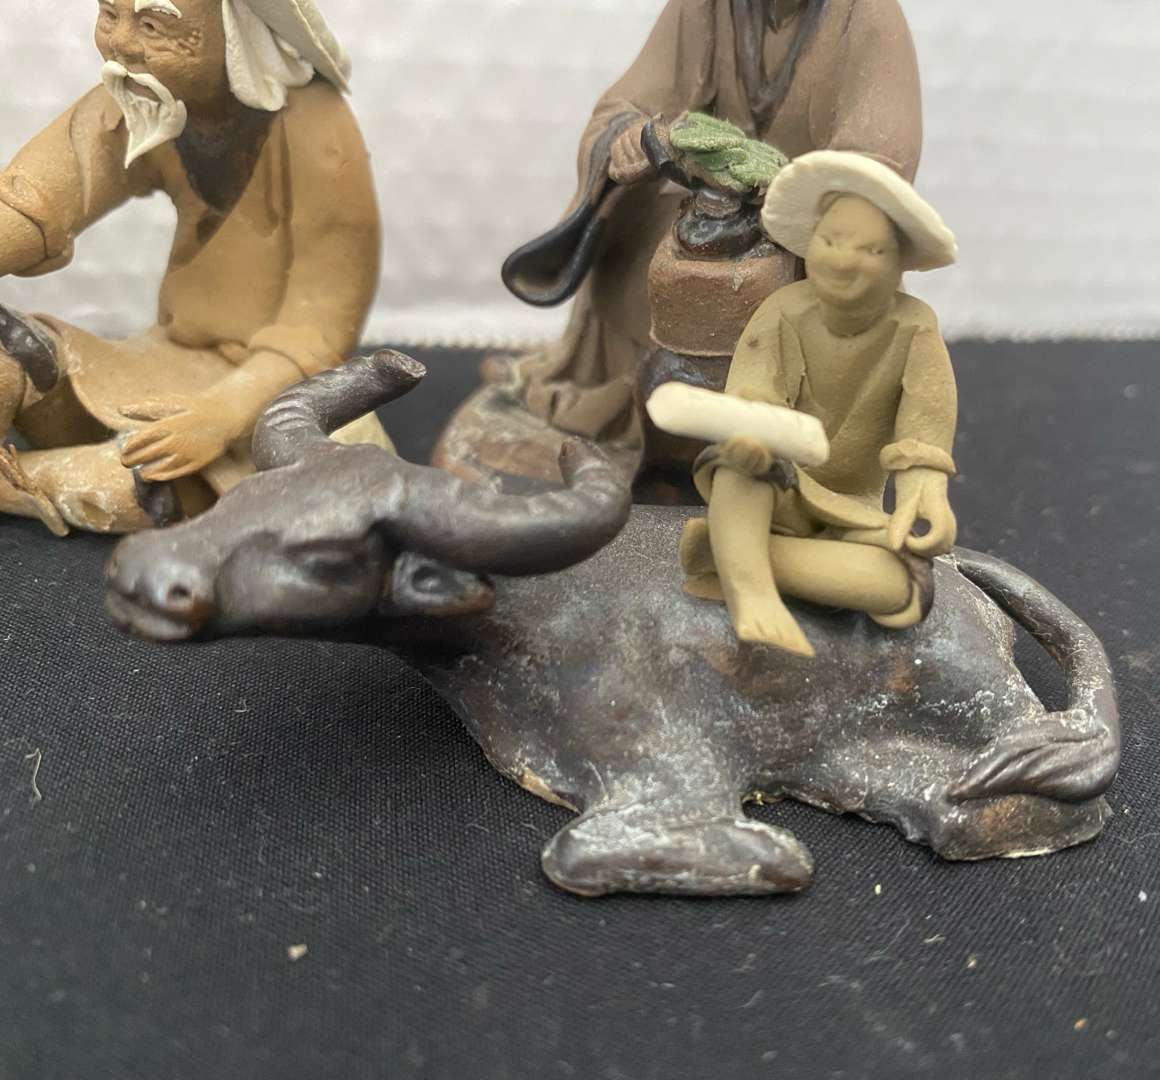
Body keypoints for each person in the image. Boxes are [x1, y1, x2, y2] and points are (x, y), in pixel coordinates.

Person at [0, 0, 381, 534]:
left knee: (139, 481)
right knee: (11, 348)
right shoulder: (145, 98)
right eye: (109, 15)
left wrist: (221, 418)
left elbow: (319, 329)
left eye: (153, 25)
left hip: (263, 396)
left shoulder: (317, 130)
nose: (121, 43)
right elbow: (39, 198)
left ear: (236, 31)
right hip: (157, 363)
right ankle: (45, 476)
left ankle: (37, 478)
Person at [494, 0, 922, 457]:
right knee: (631, 251)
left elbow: (880, 158)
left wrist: (784, 190)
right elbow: (625, 106)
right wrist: (635, 139)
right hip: (710, 203)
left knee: (800, 300)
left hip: (812, 227)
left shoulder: (866, 15)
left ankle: (772, 444)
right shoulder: (706, 7)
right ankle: (645, 420)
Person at [680, 150, 959, 657]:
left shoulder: (915, 328)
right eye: (830, 241)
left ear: (899, 262)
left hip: (853, 509)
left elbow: (925, 421)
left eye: (871, 250)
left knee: (903, 587)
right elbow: (752, 392)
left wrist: (924, 485)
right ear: (811, 242)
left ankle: (730, 554)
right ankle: (753, 594)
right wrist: (752, 434)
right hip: (780, 485)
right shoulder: (783, 310)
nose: (843, 261)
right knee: (736, 469)